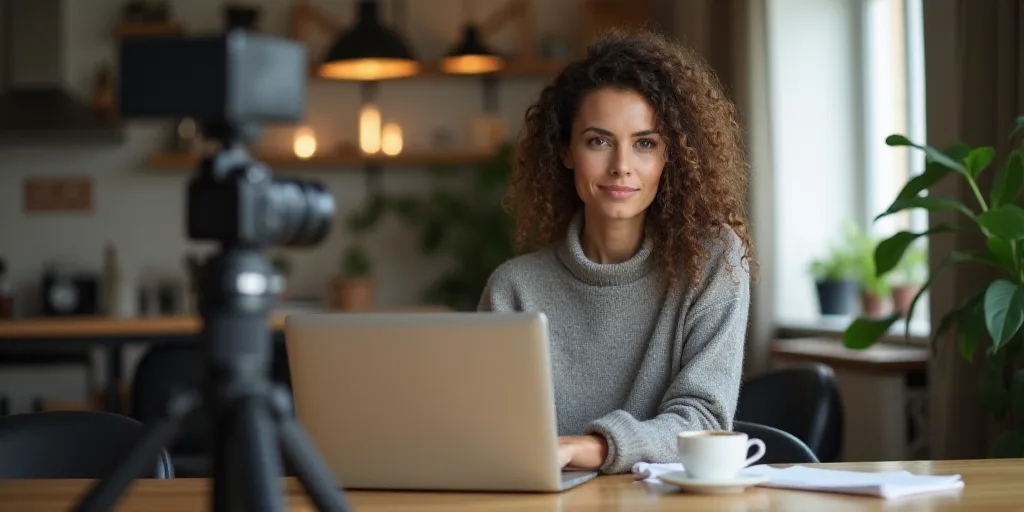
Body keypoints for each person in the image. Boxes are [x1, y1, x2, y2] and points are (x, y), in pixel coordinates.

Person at [477, 28, 757, 475]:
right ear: (566, 151)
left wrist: (588, 448)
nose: (621, 165)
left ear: (671, 158)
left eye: (645, 143)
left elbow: (703, 419)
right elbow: (489, 432)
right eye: (598, 141)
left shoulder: (711, 262)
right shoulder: (514, 289)